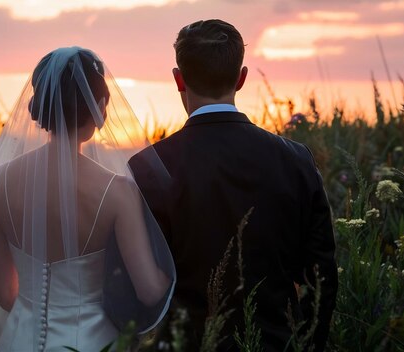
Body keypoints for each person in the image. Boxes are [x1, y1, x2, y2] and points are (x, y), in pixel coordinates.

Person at [0, 47, 175, 351]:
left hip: (19, 339)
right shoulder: (117, 192)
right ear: (99, 108)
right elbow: (148, 290)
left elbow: (4, 293)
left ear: (38, 107)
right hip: (92, 341)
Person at [129, 19, 337, 351]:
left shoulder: (147, 167)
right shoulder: (296, 159)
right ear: (241, 79)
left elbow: (135, 284)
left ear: (178, 79)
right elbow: (320, 277)